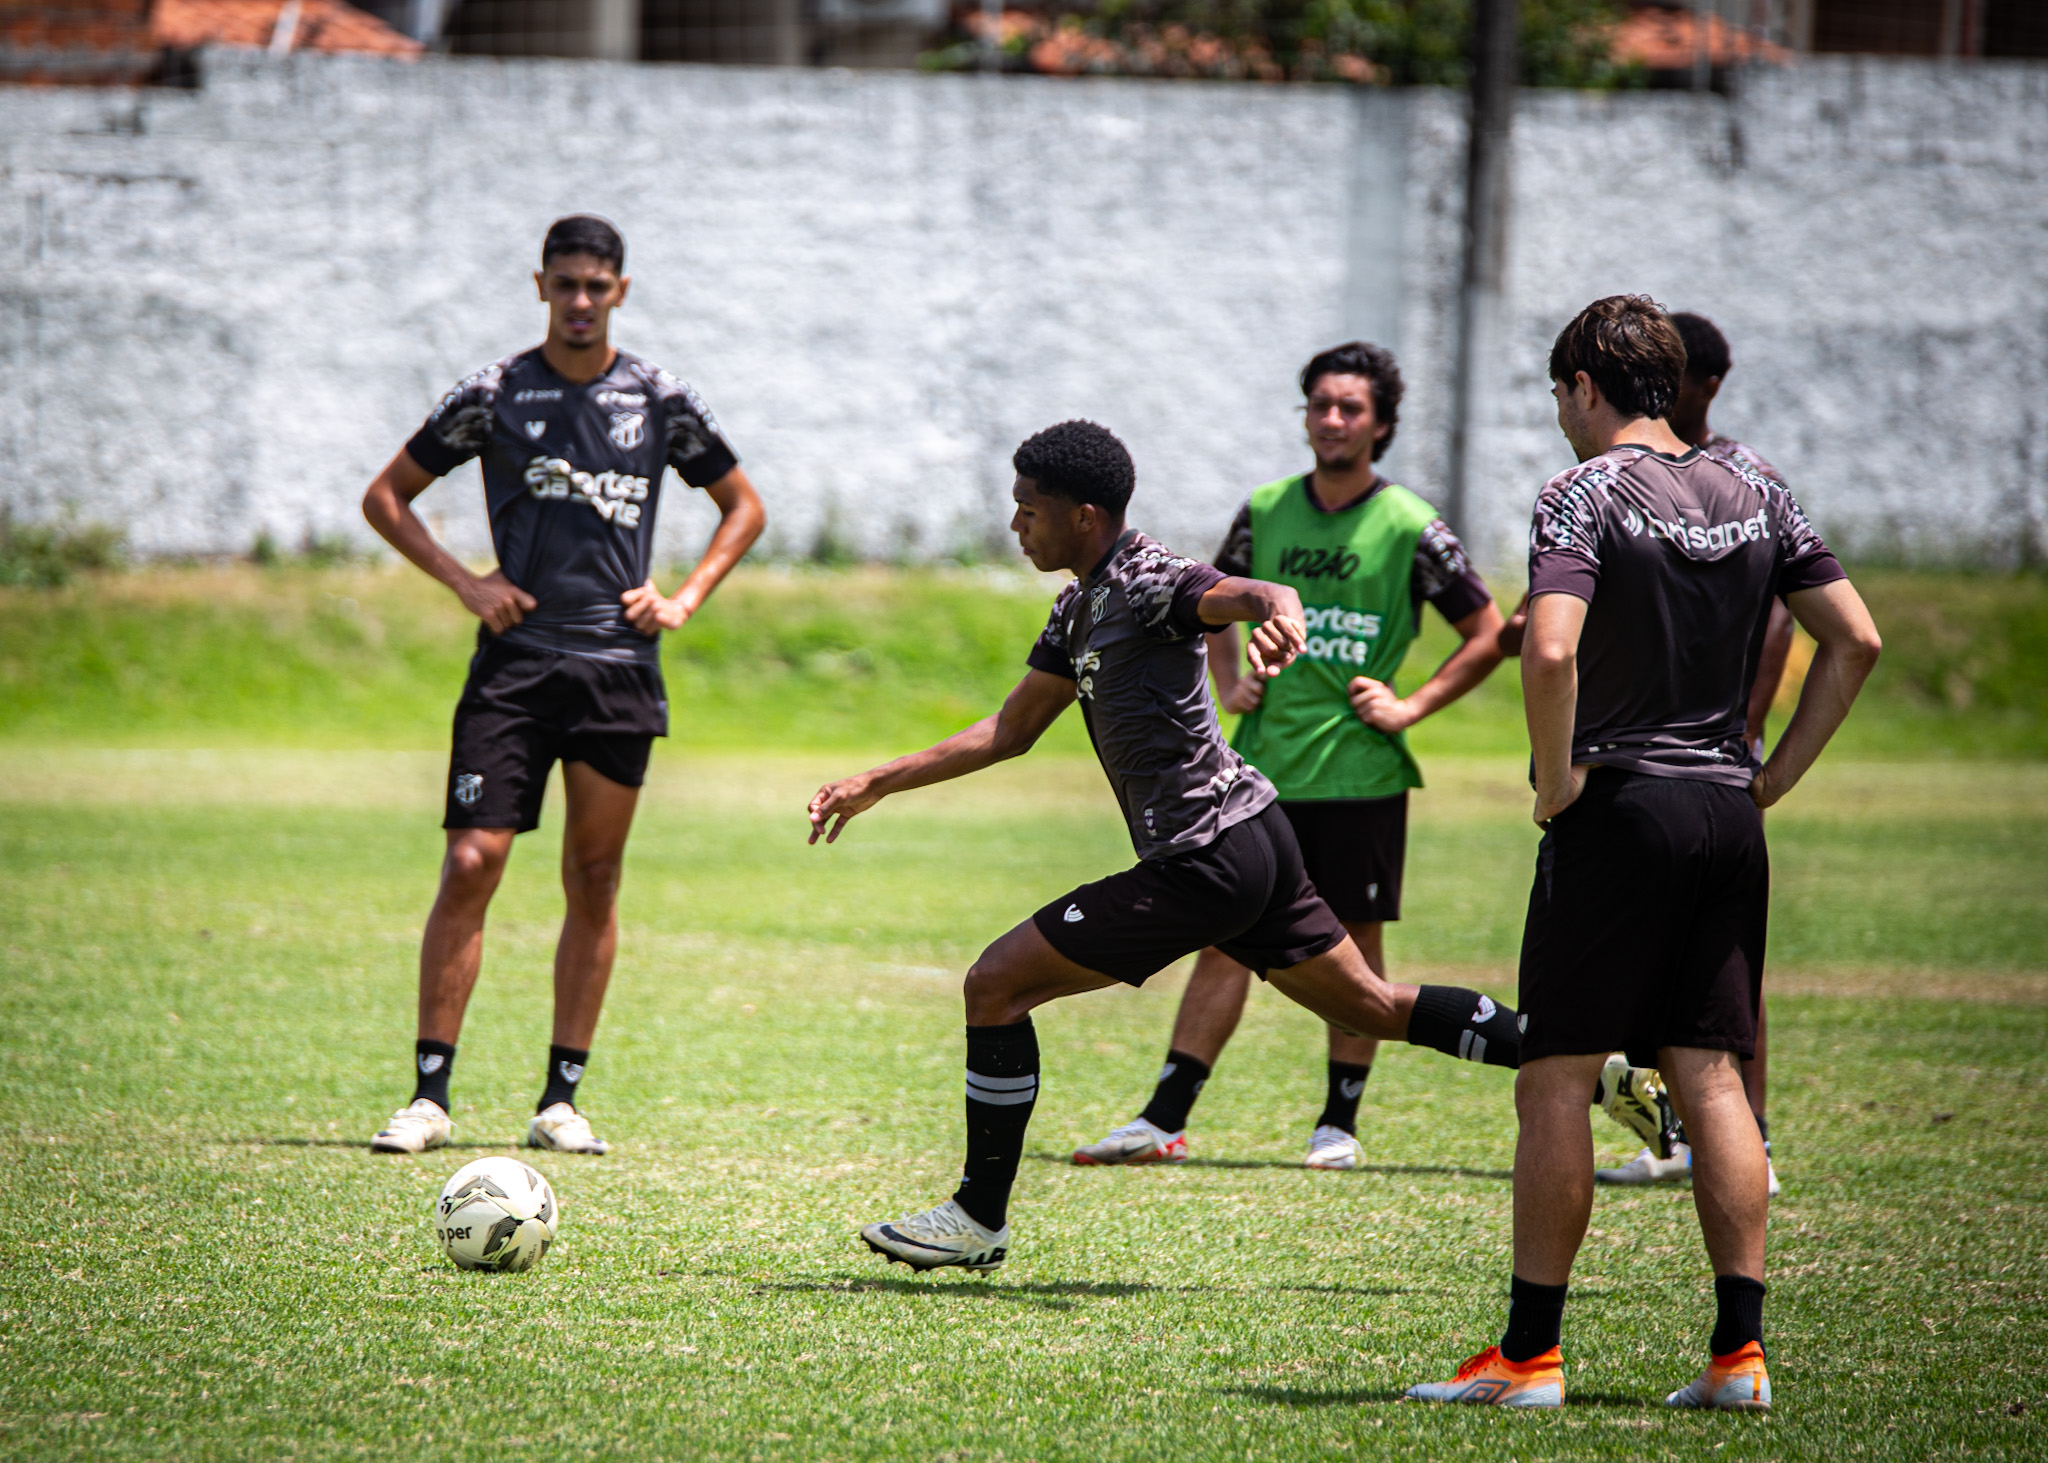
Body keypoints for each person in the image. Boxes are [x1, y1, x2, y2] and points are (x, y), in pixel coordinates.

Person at [807, 419, 1529, 1273]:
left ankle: (978, 1214)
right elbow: (1010, 728)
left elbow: (1246, 593)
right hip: (1254, 837)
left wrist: (1281, 612)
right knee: (1368, 1006)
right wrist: (876, 781)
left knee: (994, 984)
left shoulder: (1149, 577)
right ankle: (1579, 1057)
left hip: (1206, 859)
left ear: (1082, 515)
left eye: (1026, 509)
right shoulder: (1078, 607)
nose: (1015, 525)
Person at [1407, 296, 1879, 1410]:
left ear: (1581, 385)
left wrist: (1556, 775)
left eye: (1555, 395)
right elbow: (1852, 637)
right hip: (1725, 808)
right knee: (1709, 1067)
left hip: (1620, 805)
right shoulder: (1756, 486)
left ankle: (1527, 1357)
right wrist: (1769, 778)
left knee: (1557, 1074)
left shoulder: (1582, 491)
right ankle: (1737, 1355)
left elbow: (1551, 645)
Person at [1067, 343, 1667, 1172]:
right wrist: (1229, 680)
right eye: (1319, 404)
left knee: (1356, 947)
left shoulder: (1410, 524)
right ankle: (1165, 1116)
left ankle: (1337, 1122)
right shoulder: (1267, 509)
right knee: (1220, 942)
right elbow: (1202, 604)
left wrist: (1411, 704)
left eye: (1350, 407)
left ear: (1381, 423)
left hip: (1362, 774)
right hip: (1260, 777)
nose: (1332, 420)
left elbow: (1491, 634)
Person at [358, 214, 765, 1156]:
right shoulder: (496, 393)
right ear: (539, 285)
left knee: (595, 875)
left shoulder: (658, 398)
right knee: (473, 861)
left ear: (621, 291)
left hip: (619, 670)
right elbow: (386, 496)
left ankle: (560, 1100)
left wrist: (685, 596)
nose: (580, 301)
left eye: (597, 286)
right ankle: (429, 1095)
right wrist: (467, 580)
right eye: (565, 284)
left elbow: (743, 506)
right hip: (513, 667)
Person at [1578, 311, 1792, 1192]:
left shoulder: (1734, 478)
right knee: (1697, 981)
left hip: (1650, 773)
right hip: (1703, 781)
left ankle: (1750, 1132)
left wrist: (1752, 728)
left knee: (1717, 988)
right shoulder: (1678, 484)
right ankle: (1685, 1139)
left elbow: (1787, 615)